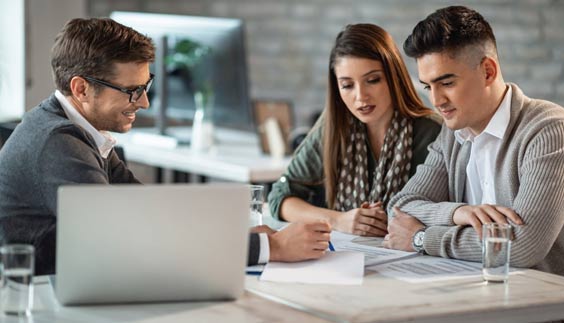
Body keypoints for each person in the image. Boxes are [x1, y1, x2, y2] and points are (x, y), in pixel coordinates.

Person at [0, 18, 329, 275]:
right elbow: (129, 241)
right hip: (39, 302)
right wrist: (268, 249)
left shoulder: (81, 131)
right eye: (131, 90)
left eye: (146, 87)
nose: (143, 102)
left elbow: (149, 211)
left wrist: (235, 232)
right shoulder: (57, 143)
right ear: (81, 88)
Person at [384, 5, 564, 286]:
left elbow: (521, 246)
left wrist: (421, 238)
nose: (436, 101)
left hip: (563, 310)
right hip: (488, 299)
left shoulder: (552, 131)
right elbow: (400, 209)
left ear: (487, 71)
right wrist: (456, 212)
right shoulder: (454, 135)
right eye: (428, 87)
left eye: (446, 82)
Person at [268, 23, 441, 237]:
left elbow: (442, 213)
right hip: (345, 257)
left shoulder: (433, 133)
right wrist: (338, 220)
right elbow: (280, 197)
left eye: (372, 80)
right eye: (347, 85)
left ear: (393, 77)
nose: (361, 97)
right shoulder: (335, 128)